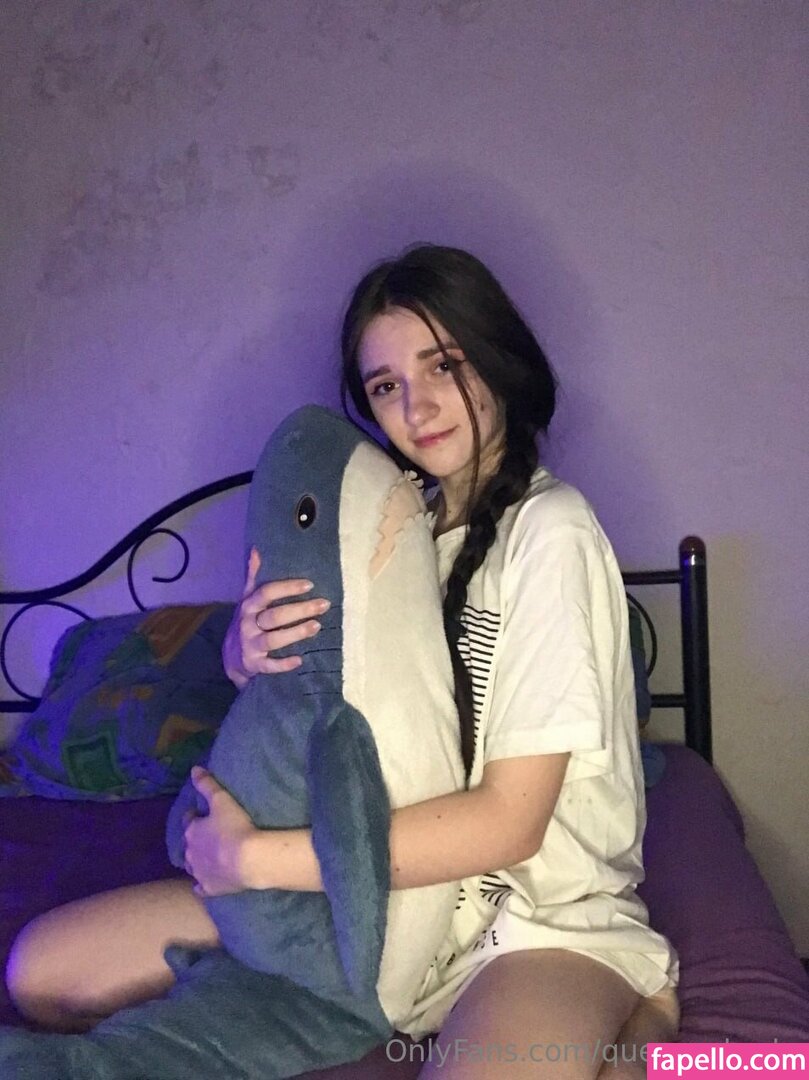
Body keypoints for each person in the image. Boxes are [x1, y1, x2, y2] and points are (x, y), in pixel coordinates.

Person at [7, 244, 679, 1078]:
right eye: (385, 386)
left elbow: (511, 822)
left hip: (530, 919)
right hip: (367, 914)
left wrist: (253, 861)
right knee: (43, 975)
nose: (417, 406)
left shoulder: (552, 531)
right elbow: (333, 699)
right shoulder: (388, 529)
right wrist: (246, 658)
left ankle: (641, 1010)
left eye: (443, 364)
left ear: (498, 359)